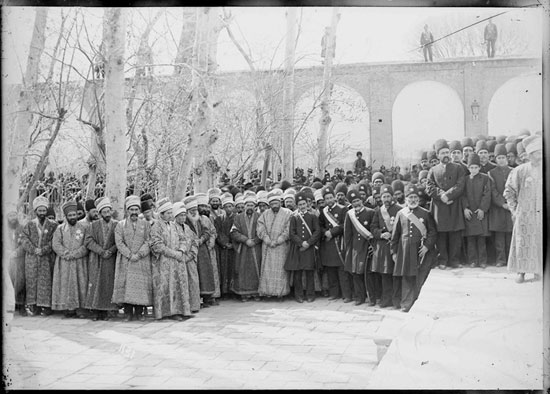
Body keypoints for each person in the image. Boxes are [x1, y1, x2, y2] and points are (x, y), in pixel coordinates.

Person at [391, 184, 437, 312]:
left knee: (419, 277)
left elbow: (433, 232)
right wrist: (394, 252)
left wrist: (427, 246)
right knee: (406, 277)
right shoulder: (401, 214)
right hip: (405, 251)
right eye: (410, 197)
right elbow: (395, 235)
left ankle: (417, 303)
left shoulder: (426, 213)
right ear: (406, 199)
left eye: (415, 197)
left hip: (420, 250)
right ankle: (406, 303)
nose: (412, 200)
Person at [503, 135, 543, 283]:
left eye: (541, 152)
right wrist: (514, 210)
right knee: (522, 243)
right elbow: (509, 191)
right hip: (524, 215)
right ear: (530, 154)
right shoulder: (519, 171)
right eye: (536, 153)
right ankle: (521, 272)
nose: (539, 156)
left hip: (541, 214)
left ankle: (539, 271)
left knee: (539, 242)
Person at [150, 198, 193, 321]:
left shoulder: (175, 226)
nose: (170, 215)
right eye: (168, 213)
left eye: (171, 212)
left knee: (178, 285)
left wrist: (181, 251)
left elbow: (183, 239)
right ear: (161, 214)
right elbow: (157, 244)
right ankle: (163, 313)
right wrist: (173, 253)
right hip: (163, 262)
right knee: (163, 286)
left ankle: (178, 311)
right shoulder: (156, 226)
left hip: (177, 261)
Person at [426, 139, 466, 269]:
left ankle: (454, 260)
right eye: (442, 153)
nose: (445, 155)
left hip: (454, 204)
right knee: (441, 234)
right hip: (439, 207)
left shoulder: (458, 168)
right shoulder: (433, 170)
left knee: (455, 234)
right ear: (437, 155)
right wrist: (441, 195)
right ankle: (442, 260)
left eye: (447, 152)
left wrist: (448, 195)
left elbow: (460, 185)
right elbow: (429, 187)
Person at [112, 195, 153, 321]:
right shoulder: (120, 225)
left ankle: (139, 312)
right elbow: (119, 242)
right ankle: (128, 313)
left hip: (141, 260)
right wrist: (130, 255)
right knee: (127, 286)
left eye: (136, 209)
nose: (134, 212)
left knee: (140, 286)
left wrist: (139, 254)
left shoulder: (146, 225)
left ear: (139, 210)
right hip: (126, 260)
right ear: (127, 211)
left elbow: (148, 240)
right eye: (131, 210)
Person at [20, 196, 58, 316]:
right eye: (39, 211)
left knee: (46, 281)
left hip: (47, 258)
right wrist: (34, 249)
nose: (42, 213)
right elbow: (24, 239)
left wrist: (44, 250)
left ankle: (46, 306)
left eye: (44, 210)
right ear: (35, 211)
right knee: (32, 281)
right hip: (32, 258)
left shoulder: (53, 225)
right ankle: (34, 306)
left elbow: (54, 240)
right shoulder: (29, 224)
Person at [51, 200, 90, 318]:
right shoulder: (60, 229)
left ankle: (81, 309)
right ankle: (68, 309)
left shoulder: (84, 228)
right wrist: (66, 253)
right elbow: (56, 244)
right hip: (64, 262)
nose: (72, 217)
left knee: (81, 283)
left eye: (74, 215)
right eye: (70, 215)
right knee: (65, 284)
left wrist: (77, 253)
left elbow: (87, 243)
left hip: (80, 261)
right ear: (66, 216)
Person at [84, 197, 118, 321]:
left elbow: (119, 241)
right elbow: (88, 241)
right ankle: (97, 311)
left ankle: (110, 310)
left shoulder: (117, 225)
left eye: (109, 211)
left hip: (111, 259)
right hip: (97, 259)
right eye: (104, 212)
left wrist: (111, 250)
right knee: (96, 283)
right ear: (99, 213)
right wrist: (101, 251)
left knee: (109, 284)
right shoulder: (93, 226)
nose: (107, 214)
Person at [284, 192, 321, 303]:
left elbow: (317, 231)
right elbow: (292, 233)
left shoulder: (313, 217)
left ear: (307, 203)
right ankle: (298, 295)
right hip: (297, 249)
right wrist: (301, 243)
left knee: (309, 272)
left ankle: (310, 294)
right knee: (298, 273)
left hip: (309, 248)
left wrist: (309, 243)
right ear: (297, 205)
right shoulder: (294, 218)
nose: (302, 206)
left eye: (304, 204)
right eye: (300, 204)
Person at [318, 186, 352, 302]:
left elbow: (345, 225)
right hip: (328, 245)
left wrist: (332, 232)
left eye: (331, 197)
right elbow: (320, 226)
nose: (329, 200)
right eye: (327, 198)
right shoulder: (323, 211)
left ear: (334, 197)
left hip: (339, 242)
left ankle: (346, 294)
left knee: (342, 271)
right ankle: (334, 293)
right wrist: (325, 232)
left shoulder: (343, 209)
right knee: (331, 271)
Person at [257, 188, 292, 299]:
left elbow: (289, 229)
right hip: (267, 246)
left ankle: (281, 293)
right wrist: (267, 240)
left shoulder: (288, 213)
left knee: (281, 271)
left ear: (280, 202)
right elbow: (260, 228)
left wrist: (279, 240)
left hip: (282, 246)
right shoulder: (264, 215)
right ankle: (267, 292)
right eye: (272, 203)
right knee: (267, 271)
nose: (274, 205)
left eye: (276, 203)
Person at [372, 185, 403, 308]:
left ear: (392, 196)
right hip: (384, 247)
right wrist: (381, 234)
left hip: (396, 246)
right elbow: (373, 228)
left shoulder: (399, 210)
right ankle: (386, 299)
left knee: (396, 275)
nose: (386, 198)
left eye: (388, 196)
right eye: (383, 196)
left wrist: (394, 235)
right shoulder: (378, 211)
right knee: (385, 275)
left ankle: (396, 300)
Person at [343, 189, 375, 306]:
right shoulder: (349, 214)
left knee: (367, 274)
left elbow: (373, 231)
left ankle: (371, 297)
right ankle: (359, 297)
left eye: (357, 200)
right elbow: (347, 234)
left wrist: (373, 246)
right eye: (353, 202)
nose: (356, 203)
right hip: (355, 248)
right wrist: (349, 249)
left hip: (366, 247)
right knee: (356, 274)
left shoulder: (370, 212)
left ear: (361, 200)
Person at [184, 195, 216, 307]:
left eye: (195, 210)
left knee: (205, 273)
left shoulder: (200, 220)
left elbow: (207, 232)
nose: (194, 212)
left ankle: (207, 298)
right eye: (191, 210)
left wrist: (201, 239)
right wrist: (193, 242)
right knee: (193, 274)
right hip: (190, 250)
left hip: (202, 250)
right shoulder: (185, 221)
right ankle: (195, 300)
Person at [230, 194, 263, 301]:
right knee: (242, 269)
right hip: (243, 248)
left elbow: (263, 231)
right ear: (244, 206)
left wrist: (255, 240)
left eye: (252, 205)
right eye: (248, 205)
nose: (249, 207)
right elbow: (234, 232)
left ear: (255, 206)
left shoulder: (260, 216)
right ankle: (244, 293)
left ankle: (256, 292)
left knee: (256, 268)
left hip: (256, 247)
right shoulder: (238, 217)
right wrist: (245, 240)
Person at [462, 153, 491, 269]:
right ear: (468, 168)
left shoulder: (485, 178)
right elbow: (463, 195)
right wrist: (465, 208)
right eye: (471, 167)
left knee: (481, 239)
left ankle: (483, 261)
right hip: (470, 212)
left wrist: (482, 209)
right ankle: (472, 260)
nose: (473, 170)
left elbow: (487, 194)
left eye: (476, 167)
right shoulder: (465, 180)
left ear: (479, 167)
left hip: (480, 212)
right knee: (471, 239)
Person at [488, 144, 513, 267]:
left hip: (511, 208)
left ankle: (510, 259)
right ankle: (500, 259)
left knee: (510, 234)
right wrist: (502, 203)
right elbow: (492, 191)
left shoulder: (513, 171)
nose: (501, 160)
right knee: (499, 236)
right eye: (499, 158)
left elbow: (515, 189)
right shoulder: (491, 173)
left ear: (507, 158)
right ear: (495, 159)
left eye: (503, 157)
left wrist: (510, 203)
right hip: (498, 209)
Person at [196, 192, 221, 304]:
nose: (204, 208)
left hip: (210, 249)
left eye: (206, 206)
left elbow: (213, 231)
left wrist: (211, 241)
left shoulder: (209, 218)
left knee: (211, 272)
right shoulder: (194, 218)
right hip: (199, 250)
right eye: (201, 206)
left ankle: (211, 296)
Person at [215, 193, 236, 299]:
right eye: (226, 206)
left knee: (234, 268)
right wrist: (224, 243)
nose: (228, 208)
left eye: (230, 206)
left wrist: (233, 244)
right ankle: (224, 291)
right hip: (223, 249)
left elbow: (237, 231)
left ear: (233, 207)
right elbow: (217, 232)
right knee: (224, 269)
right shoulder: (219, 219)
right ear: (223, 208)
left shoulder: (237, 218)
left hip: (234, 249)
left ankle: (233, 291)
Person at [8, 212, 27, 316]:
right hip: (7, 259)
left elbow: (25, 243)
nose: (13, 218)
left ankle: (21, 305)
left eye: (14, 215)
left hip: (19, 259)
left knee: (20, 281)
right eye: (10, 215)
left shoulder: (22, 228)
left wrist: (16, 252)